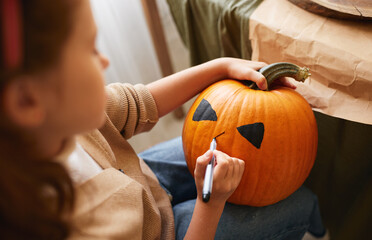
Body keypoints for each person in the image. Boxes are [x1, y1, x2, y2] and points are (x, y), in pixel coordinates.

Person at [0, 0, 327, 239]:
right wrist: (208, 205)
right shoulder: (76, 229)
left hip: (140, 182)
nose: (104, 60)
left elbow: (138, 102)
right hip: (165, 233)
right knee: (300, 202)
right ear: (28, 100)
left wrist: (221, 66)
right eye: (88, 49)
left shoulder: (60, 119)